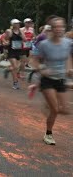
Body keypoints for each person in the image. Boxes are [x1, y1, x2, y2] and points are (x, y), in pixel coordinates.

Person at [33, 17, 73, 145]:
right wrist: (42, 69)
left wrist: (69, 68)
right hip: (47, 80)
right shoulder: (44, 44)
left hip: (61, 78)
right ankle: (48, 134)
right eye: (56, 26)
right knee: (55, 109)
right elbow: (33, 60)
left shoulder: (67, 43)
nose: (59, 29)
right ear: (51, 28)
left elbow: (68, 57)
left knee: (65, 110)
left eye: (61, 26)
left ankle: (48, 106)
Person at [4, 19, 27, 90]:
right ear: (13, 24)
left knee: (16, 67)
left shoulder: (21, 31)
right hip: (11, 51)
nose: (18, 24)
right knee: (15, 67)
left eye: (18, 23)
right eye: (16, 23)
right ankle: (15, 83)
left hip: (19, 51)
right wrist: (6, 42)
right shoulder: (9, 31)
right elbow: (4, 39)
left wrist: (21, 32)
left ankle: (8, 69)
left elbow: (25, 40)